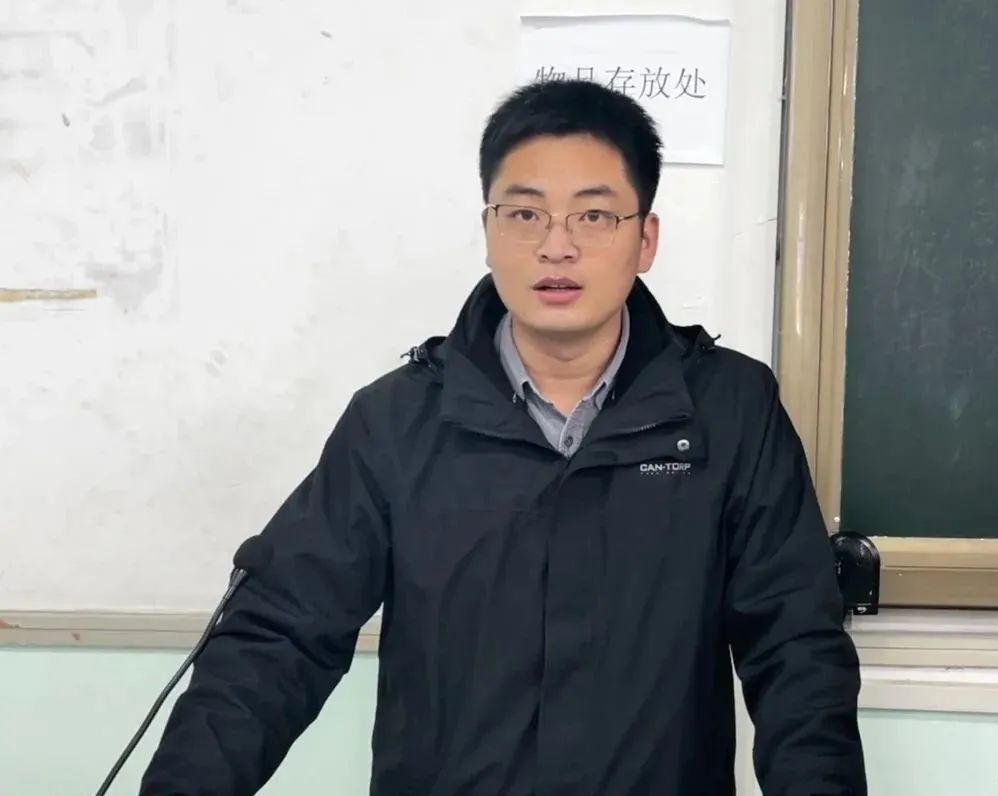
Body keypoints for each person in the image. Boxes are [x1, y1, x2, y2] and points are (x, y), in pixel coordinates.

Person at [141, 80, 866, 795]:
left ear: (645, 240)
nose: (556, 247)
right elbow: (280, 638)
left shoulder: (729, 411)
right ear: (488, 232)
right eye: (524, 214)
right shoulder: (396, 422)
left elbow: (795, 649)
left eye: (594, 216)